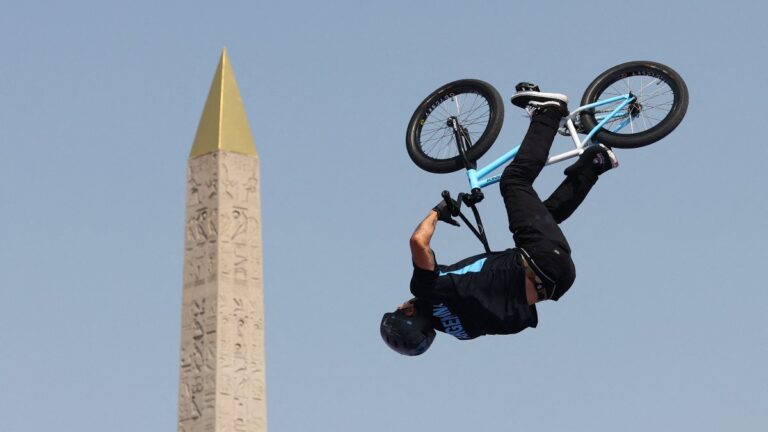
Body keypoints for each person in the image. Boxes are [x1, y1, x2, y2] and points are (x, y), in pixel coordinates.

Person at [380, 84, 619, 356]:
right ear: (409, 311)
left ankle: (595, 163)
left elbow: (510, 311)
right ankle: (549, 113)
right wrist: (438, 212)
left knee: (544, 217)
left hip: (559, 280)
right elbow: (418, 242)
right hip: (539, 259)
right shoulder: (427, 289)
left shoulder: (464, 332)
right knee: (513, 181)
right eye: (401, 307)